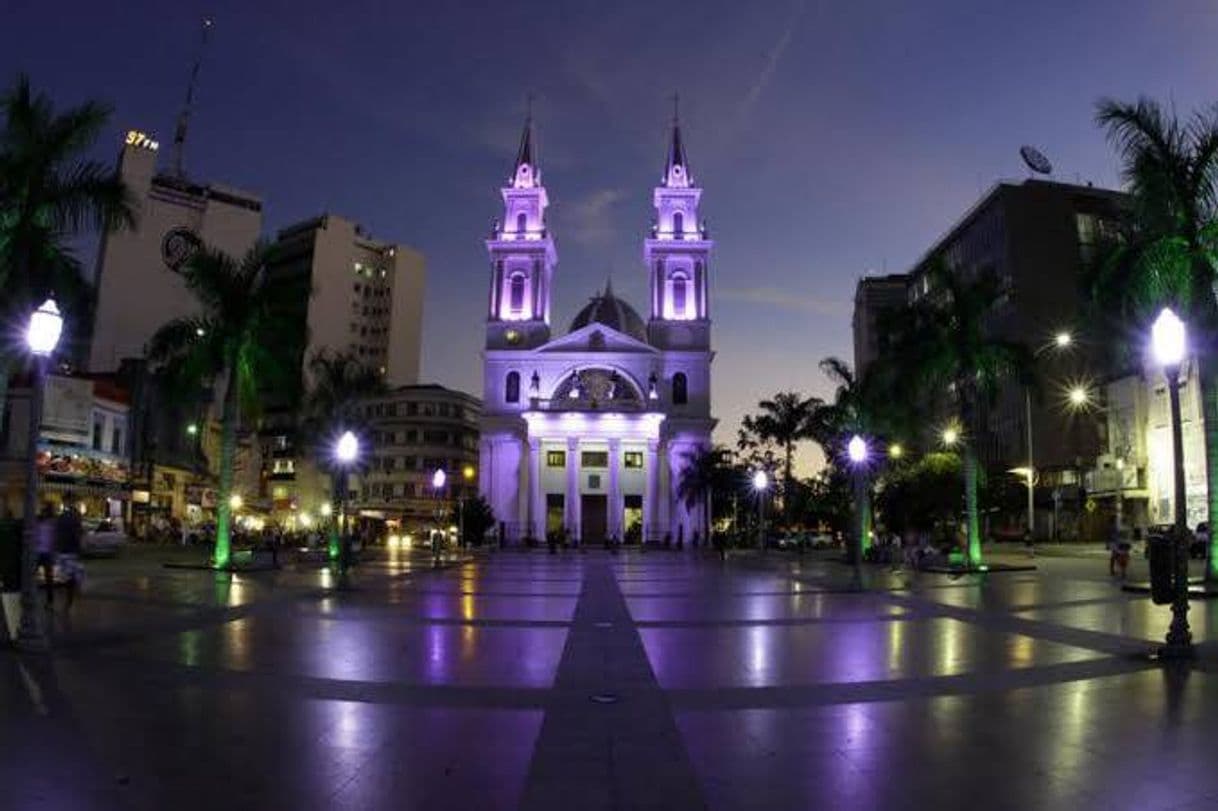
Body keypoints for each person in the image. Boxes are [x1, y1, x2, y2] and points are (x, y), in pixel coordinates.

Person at [54, 496, 84, 609]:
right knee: (71, 573)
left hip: (63, 549)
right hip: (72, 549)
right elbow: (79, 533)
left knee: (66, 574)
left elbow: (57, 532)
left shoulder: (61, 517)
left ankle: (69, 596)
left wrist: (57, 546)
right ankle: (71, 595)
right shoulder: (76, 517)